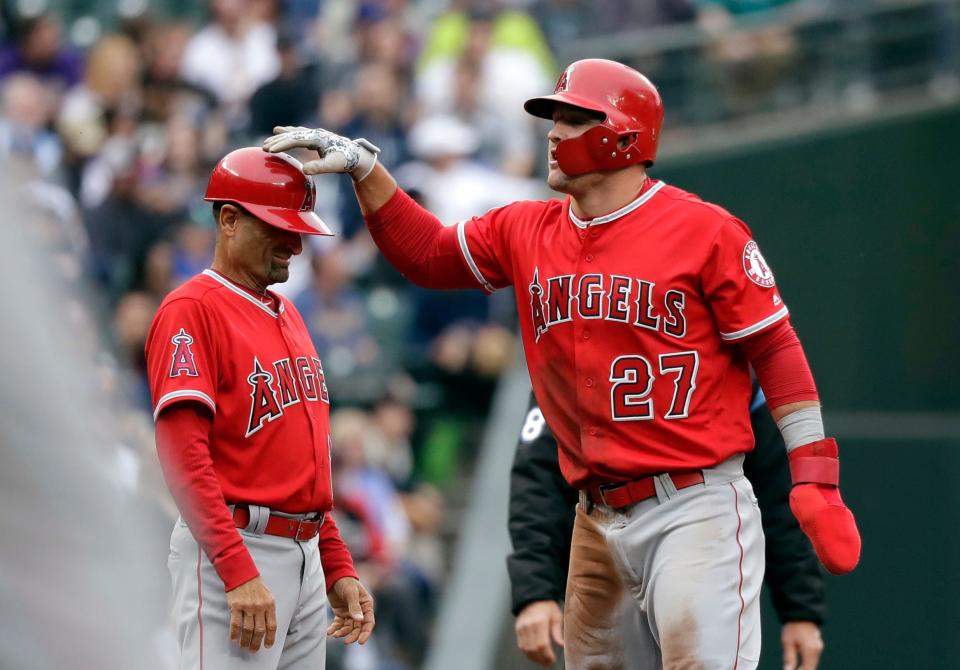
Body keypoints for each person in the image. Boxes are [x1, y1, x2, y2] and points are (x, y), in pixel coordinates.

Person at [263, 57, 861, 669]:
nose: (552, 133)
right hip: (594, 517)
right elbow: (428, 254)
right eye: (554, 118)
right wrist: (368, 171)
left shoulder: (706, 231)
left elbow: (776, 349)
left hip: (694, 505)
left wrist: (816, 475)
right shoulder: (526, 228)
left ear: (623, 135)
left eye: (572, 119)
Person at [144, 147, 375, 669]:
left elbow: (305, 462)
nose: (294, 244)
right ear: (229, 219)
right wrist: (235, 567)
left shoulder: (288, 312)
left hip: (304, 553)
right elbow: (183, 459)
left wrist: (335, 562)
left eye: (298, 228)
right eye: (278, 226)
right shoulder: (192, 310)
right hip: (236, 546)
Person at [508, 386, 826, 670]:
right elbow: (537, 476)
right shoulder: (576, 337)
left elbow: (776, 492)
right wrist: (535, 590)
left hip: (696, 532)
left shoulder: (717, 348)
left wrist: (801, 608)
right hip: (601, 551)